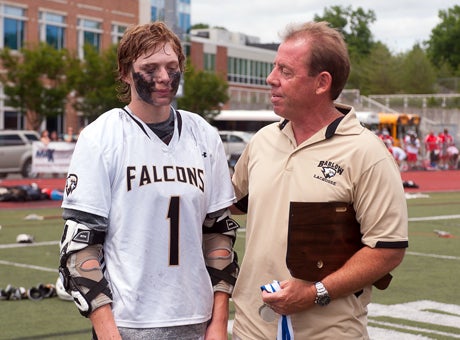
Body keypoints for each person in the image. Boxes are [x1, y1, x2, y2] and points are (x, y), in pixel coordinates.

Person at [58, 22, 239, 340]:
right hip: (129, 324)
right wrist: (108, 332)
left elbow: (218, 235)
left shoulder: (203, 136)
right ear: (126, 73)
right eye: (150, 67)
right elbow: (79, 248)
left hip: (198, 318)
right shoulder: (102, 137)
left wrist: (219, 322)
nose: (164, 77)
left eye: (172, 66)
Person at [230, 21, 408, 339]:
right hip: (250, 329)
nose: (271, 80)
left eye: (285, 71)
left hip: (328, 332)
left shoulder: (366, 152)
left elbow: (387, 249)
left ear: (321, 82)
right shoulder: (263, 140)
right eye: (274, 68)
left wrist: (315, 293)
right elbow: (230, 202)